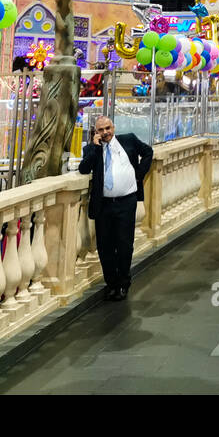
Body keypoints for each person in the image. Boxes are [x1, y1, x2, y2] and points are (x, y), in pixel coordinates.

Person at [78, 116, 154, 301]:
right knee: (105, 248)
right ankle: (111, 284)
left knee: (125, 245)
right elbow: (83, 169)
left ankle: (123, 283)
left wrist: (139, 174)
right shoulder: (91, 149)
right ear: (96, 132)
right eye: (101, 130)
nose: (105, 133)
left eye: (108, 128)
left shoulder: (128, 140)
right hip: (103, 205)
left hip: (126, 203)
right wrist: (95, 148)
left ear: (113, 127)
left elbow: (148, 152)